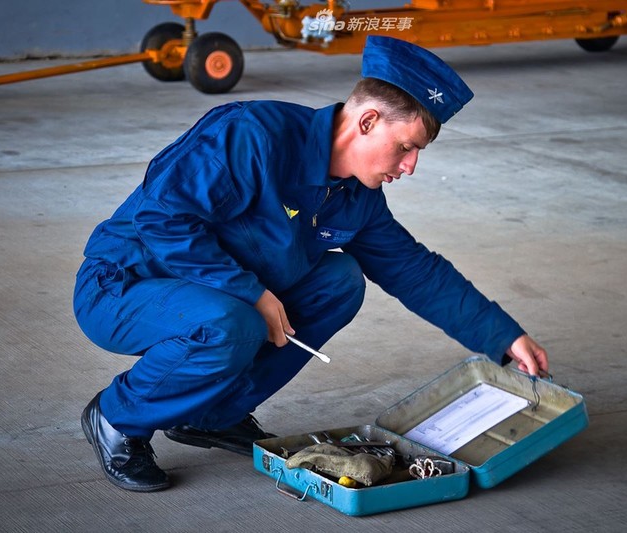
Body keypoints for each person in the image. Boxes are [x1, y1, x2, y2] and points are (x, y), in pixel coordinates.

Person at [74, 35, 549, 493]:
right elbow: (162, 219)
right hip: (124, 285)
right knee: (232, 321)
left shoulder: (357, 197)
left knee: (340, 281)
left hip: (213, 299)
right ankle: (118, 417)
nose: (410, 167)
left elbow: (415, 270)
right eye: (406, 146)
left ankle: (207, 415)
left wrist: (503, 337)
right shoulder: (253, 136)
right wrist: (251, 292)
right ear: (366, 122)